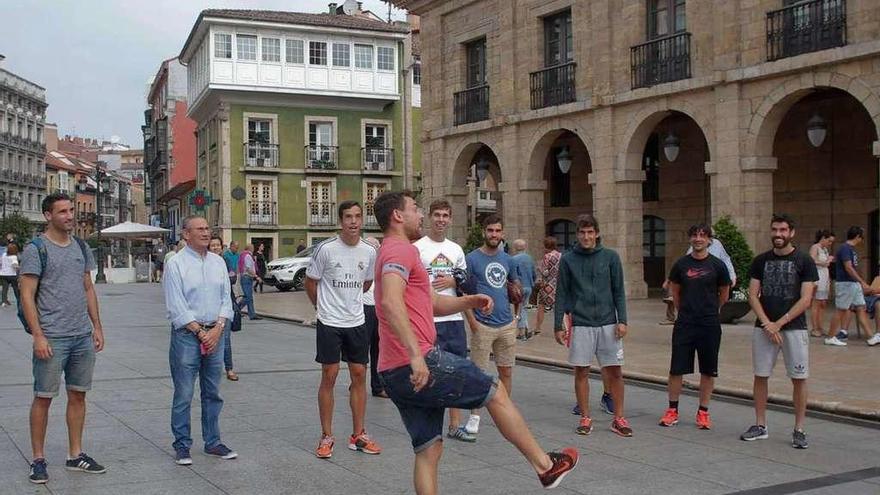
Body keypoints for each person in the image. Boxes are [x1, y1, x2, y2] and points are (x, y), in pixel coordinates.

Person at [373, 191, 578, 494]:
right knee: (494, 393)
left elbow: (430, 302)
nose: (420, 215)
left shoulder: (395, 251)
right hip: (415, 362)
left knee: (428, 450)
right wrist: (416, 355)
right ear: (398, 216)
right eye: (415, 209)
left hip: (392, 370)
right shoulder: (400, 250)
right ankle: (546, 467)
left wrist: (470, 300)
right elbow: (390, 302)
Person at [20, 192, 106, 484]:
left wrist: (97, 326)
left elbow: (88, 289)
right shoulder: (36, 249)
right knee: (43, 397)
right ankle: (38, 459)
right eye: (63, 212)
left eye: (71, 210)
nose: (70, 216)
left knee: (78, 394)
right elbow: (27, 295)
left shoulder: (81, 246)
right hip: (53, 337)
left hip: (81, 335)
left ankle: (75, 454)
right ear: (48, 216)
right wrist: (38, 336)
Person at [305, 201, 381, 459]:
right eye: (348, 216)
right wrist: (321, 307)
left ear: (362, 220)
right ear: (340, 221)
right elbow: (311, 282)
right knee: (330, 375)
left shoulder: (369, 251)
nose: (353, 221)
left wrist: (350, 302)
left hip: (357, 321)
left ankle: (358, 434)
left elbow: (367, 282)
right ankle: (326, 436)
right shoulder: (325, 249)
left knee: (360, 374)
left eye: (358, 216)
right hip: (330, 321)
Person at [163, 216, 238, 465]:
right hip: (187, 335)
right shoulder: (176, 264)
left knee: (212, 391)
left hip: (215, 333)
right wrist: (199, 332)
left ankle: (213, 441)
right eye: (200, 229)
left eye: (208, 228)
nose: (206, 233)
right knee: (184, 392)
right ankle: (182, 444)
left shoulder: (218, 262)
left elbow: (227, 299)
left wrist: (218, 328)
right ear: (186, 235)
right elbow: (176, 305)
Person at [741, 214, 818, 449]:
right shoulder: (760, 261)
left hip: (794, 328)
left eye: (783, 230)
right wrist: (767, 323)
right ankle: (760, 424)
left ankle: (799, 429)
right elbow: (752, 295)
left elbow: (806, 299)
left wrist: (779, 323)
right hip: (764, 328)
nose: (778, 234)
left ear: (791, 232)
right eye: (775, 229)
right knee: (761, 375)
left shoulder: (804, 260)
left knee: (799, 377)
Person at [554, 214, 631, 437]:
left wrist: (623, 320)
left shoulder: (610, 257)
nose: (586, 237)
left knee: (615, 372)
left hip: (608, 323)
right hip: (582, 323)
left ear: (596, 233)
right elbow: (562, 293)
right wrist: (558, 324)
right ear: (577, 235)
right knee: (581, 371)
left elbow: (619, 291)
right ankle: (585, 416)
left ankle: (618, 418)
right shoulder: (568, 259)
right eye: (582, 233)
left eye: (590, 232)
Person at [658, 224, 731, 430]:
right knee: (676, 368)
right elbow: (676, 292)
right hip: (685, 323)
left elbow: (724, 293)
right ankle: (672, 410)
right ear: (690, 239)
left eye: (703, 235)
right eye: (695, 235)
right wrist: (686, 311)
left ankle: (703, 412)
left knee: (708, 370)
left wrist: (712, 309)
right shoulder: (681, 265)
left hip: (709, 323)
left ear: (709, 240)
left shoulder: (718, 265)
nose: (698, 239)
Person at [413, 199, 472, 441]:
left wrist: (454, 282)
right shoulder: (417, 248)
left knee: (456, 371)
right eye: (437, 214)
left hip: (454, 320)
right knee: (429, 373)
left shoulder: (456, 249)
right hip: (427, 320)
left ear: (450, 219)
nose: (441, 219)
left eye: (445, 215)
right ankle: (428, 424)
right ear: (428, 217)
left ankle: (455, 424)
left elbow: (467, 282)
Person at [463, 214, 519, 440]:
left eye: (498, 231)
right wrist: (472, 321)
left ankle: (504, 413)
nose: (494, 235)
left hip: (506, 325)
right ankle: (474, 418)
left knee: (506, 371)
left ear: (502, 233)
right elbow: (464, 292)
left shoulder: (509, 260)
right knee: (478, 374)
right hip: (482, 325)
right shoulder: (472, 259)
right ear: (484, 232)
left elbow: (515, 287)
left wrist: (516, 317)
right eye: (490, 231)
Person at [827, 226, 880, 347]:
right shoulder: (845, 248)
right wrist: (862, 282)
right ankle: (830, 337)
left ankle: (871, 337)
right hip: (846, 283)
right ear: (857, 236)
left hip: (853, 284)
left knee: (861, 307)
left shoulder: (851, 249)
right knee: (841, 310)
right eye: (861, 237)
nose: (862, 240)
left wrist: (859, 283)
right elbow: (848, 267)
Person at [210, 236, 239, 381]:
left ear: (222, 247)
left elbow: (233, 277)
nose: (215, 247)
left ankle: (229, 369)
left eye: (217, 245)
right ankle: (211, 369)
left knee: (225, 339)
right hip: (209, 307)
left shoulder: (225, 261)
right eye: (213, 245)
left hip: (225, 306)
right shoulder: (206, 262)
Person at [363, 237, 385, 398]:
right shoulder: (360, 262)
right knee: (361, 350)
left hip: (378, 309)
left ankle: (377, 387)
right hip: (363, 308)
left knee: (378, 349)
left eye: (374, 247)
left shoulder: (383, 265)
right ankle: (357, 382)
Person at [809, 230, 835, 338]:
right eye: (829, 241)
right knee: (816, 303)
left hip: (824, 276)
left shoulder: (825, 249)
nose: (830, 243)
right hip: (817, 277)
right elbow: (811, 260)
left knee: (822, 304)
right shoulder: (815, 247)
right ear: (823, 238)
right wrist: (825, 262)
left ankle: (820, 326)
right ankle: (815, 328)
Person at [535, 236, 561, 335]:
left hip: (546, 285)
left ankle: (538, 327)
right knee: (557, 307)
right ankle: (560, 326)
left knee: (541, 306)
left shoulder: (547, 256)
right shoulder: (560, 255)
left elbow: (545, 272)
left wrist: (539, 268)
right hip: (557, 284)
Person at [511, 239, 536, 341]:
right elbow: (534, 273)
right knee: (524, 309)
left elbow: (512, 275)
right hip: (529, 286)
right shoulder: (529, 258)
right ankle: (525, 329)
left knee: (519, 310)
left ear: (515, 247)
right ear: (525, 247)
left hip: (519, 287)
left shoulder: (513, 259)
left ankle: (521, 333)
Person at [237, 244, 262, 321]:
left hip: (245, 277)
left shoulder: (242, 255)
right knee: (248, 297)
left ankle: (251, 314)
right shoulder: (247, 256)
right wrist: (256, 276)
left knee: (248, 297)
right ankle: (236, 310)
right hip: (247, 277)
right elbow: (248, 268)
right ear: (251, 248)